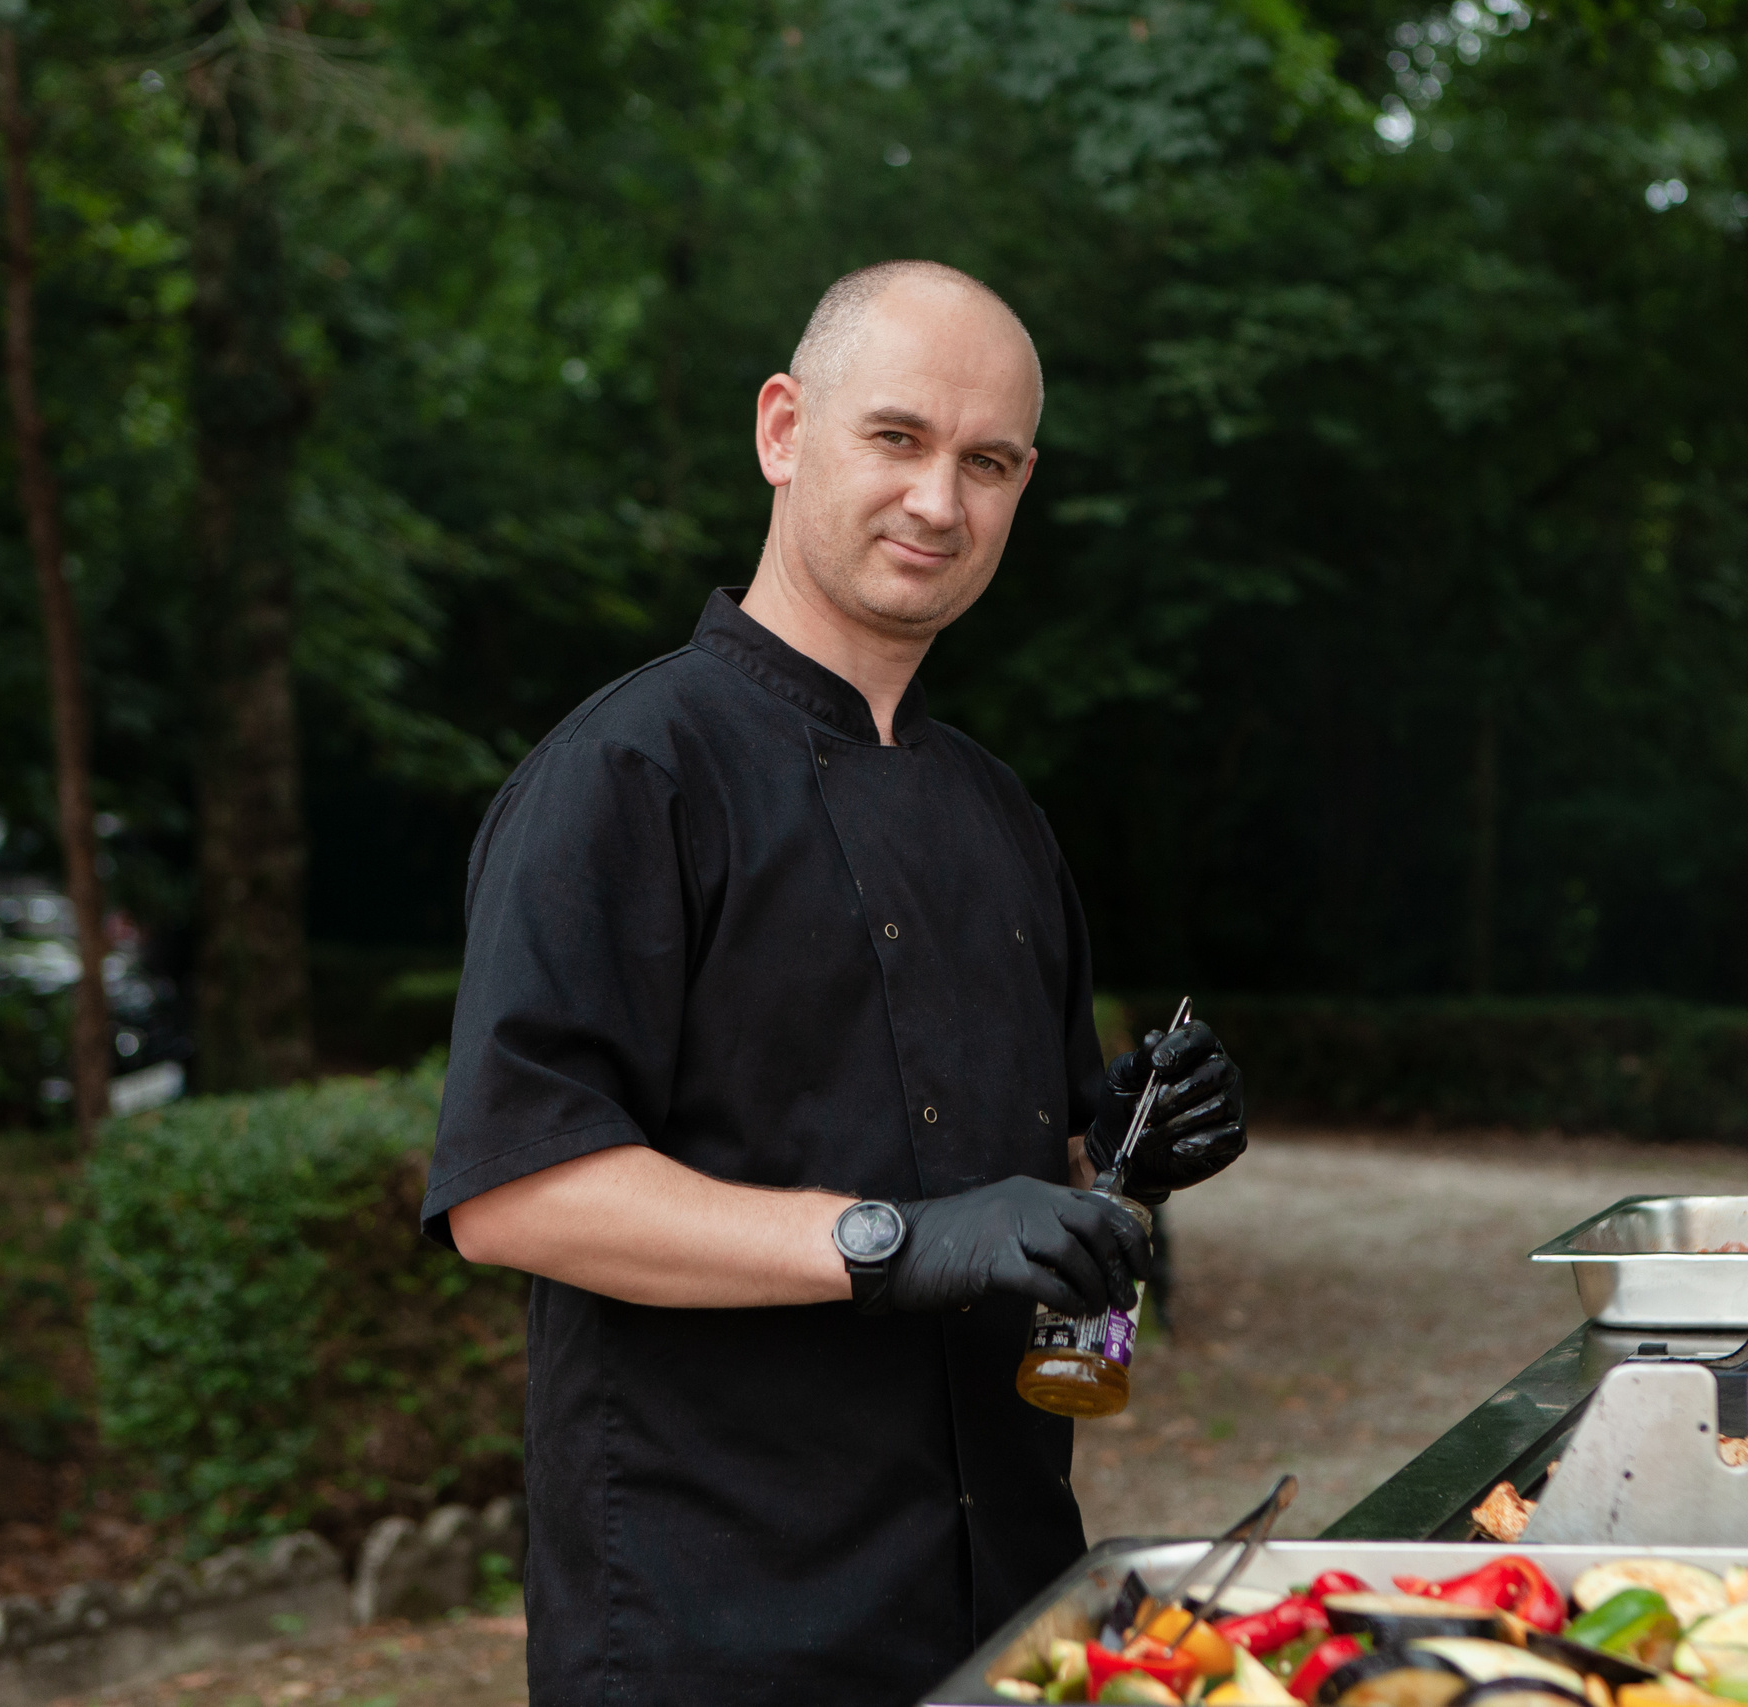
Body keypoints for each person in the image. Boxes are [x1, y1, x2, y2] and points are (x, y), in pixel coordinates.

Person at [420, 260, 1248, 1705]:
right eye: (898, 438)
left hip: (1011, 1614)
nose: (942, 500)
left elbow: (1014, 1185)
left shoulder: (1002, 816)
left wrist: (1122, 1155)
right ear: (783, 428)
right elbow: (515, 1194)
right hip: (714, 1631)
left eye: (988, 463)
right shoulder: (625, 778)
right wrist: (893, 1244)